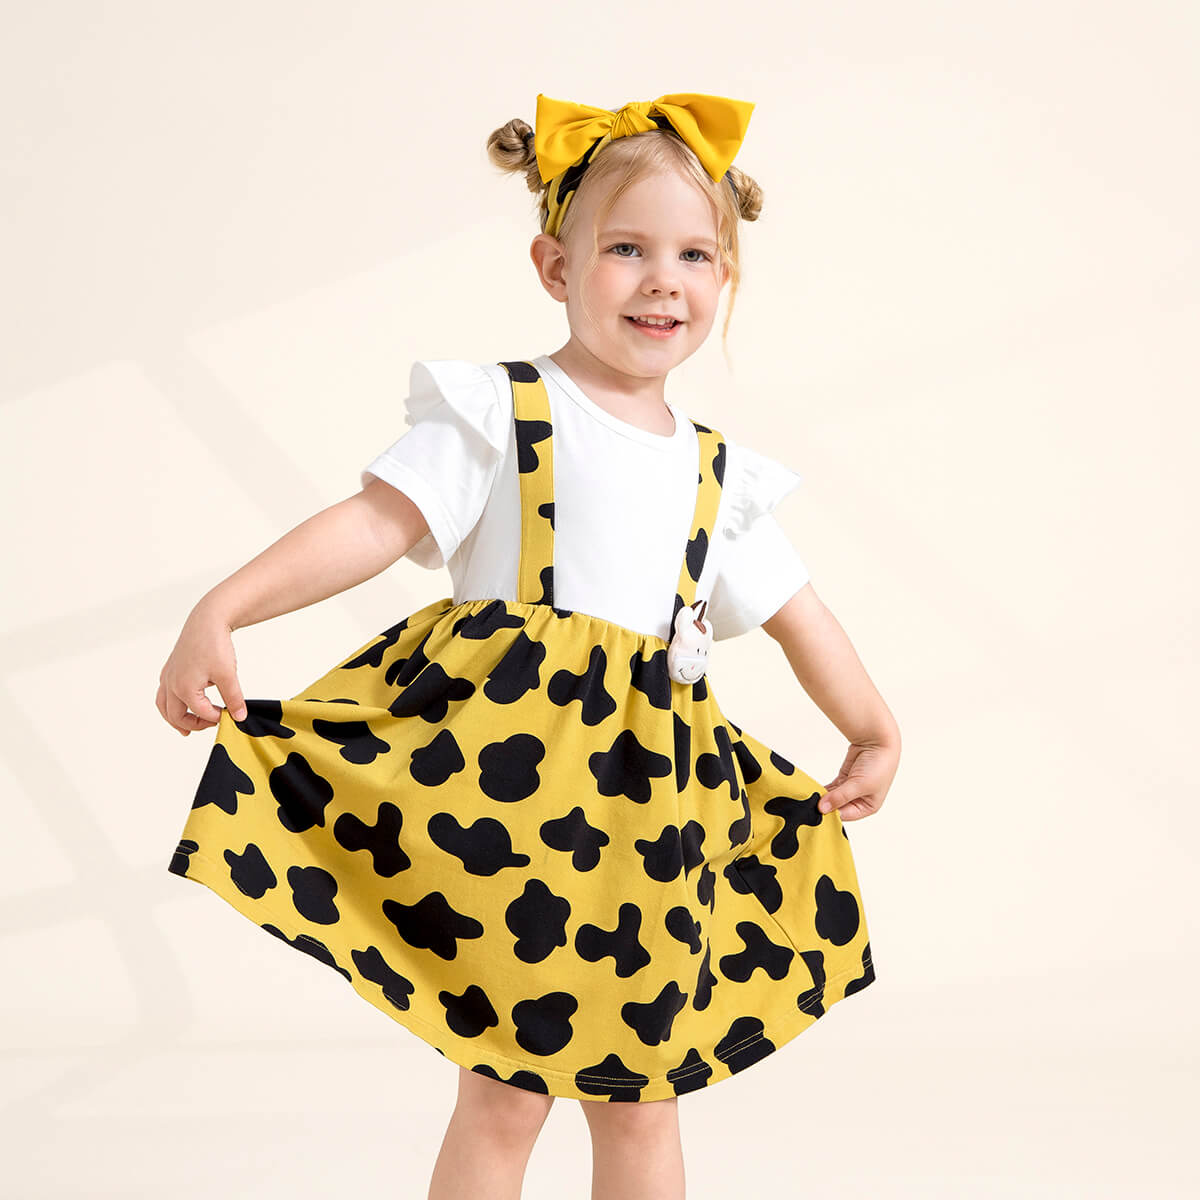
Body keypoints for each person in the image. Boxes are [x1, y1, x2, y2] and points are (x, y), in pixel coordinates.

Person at [158, 91, 900, 1200]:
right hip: (503, 808)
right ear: (556, 265)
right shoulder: (504, 414)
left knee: (641, 1096)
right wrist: (222, 609)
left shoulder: (718, 476)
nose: (663, 280)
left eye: (695, 255)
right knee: (505, 1088)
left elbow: (802, 614)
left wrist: (873, 728)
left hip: (648, 825)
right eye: (627, 249)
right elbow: (372, 526)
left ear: (725, 279)